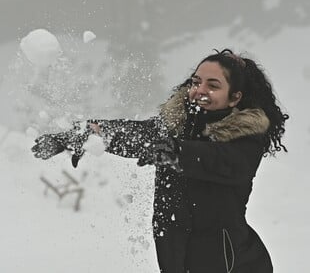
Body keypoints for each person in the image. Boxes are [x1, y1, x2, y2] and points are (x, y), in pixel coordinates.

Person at [32, 49, 289, 273]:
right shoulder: (174, 126)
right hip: (175, 256)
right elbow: (137, 133)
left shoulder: (245, 139)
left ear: (235, 97)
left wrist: (176, 152)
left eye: (213, 85)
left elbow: (225, 161)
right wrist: (88, 133)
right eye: (196, 81)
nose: (199, 90)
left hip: (230, 263)